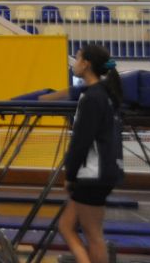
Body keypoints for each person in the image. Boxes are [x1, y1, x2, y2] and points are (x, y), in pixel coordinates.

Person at [53, 45, 124, 263]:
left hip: (93, 174)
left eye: (77, 59)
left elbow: (81, 141)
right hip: (102, 172)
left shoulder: (93, 97)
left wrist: (70, 174)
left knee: (93, 236)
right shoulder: (104, 94)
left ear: (86, 64)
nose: (74, 64)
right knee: (66, 226)